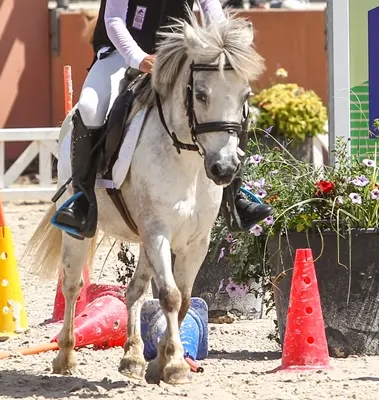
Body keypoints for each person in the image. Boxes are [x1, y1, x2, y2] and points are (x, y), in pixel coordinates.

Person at [51, 0, 272, 240]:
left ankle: (234, 196)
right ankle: (82, 201)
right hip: (121, 53)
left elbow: (210, 7)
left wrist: (221, 43)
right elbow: (113, 19)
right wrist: (138, 58)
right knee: (90, 107)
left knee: (229, 100)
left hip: (178, 53)